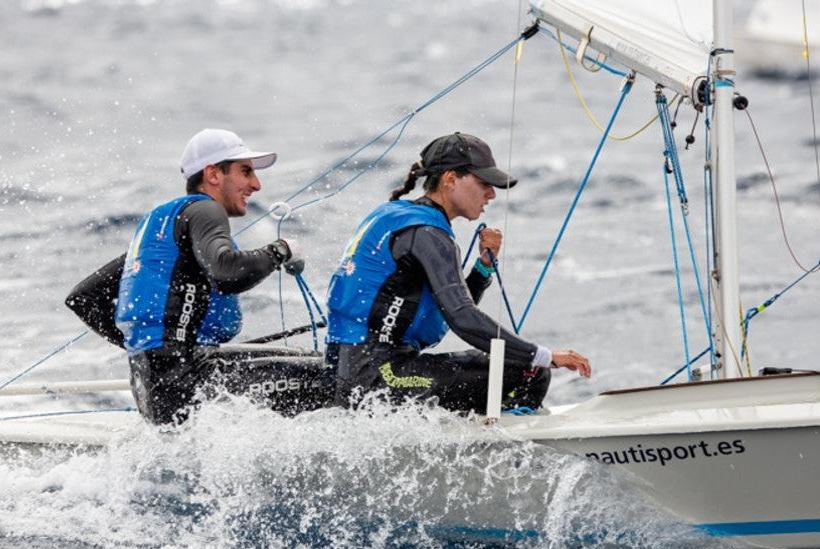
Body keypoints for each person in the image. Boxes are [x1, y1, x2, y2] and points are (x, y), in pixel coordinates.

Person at [66, 128, 332, 424]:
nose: (255, 184)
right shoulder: (205, 209)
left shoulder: (159, 226)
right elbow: (227, 273)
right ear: (213, 174)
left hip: (154, 384)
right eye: (245, 172)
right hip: (190, 383)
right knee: (336, 377)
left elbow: (83, 298)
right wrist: (280, 251)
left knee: (311, 360)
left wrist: (149, 352)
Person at [325, 132, 592, 413]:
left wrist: (483, 267)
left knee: (517, 366)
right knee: (530, 372)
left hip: (355, 370)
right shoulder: (428, 233)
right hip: (378, 377)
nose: (491, 194)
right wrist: (545, 356)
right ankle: (506, 448)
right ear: (450, 179)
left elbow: (445, 310)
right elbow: (462, 318)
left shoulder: (398, 215)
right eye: (483, 183)